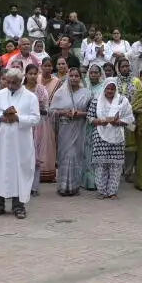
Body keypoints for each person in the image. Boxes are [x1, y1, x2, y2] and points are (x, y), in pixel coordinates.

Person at [0, 69, 39, 218]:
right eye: (7, 82)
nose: (10, 86)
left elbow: (36, 118)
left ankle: (18, 206)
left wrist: (18, 118)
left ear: (21, 81)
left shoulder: (30, 97)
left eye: (13, 83)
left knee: (20, 171)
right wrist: (1, 118)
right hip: (1, 141)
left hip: (20, 142)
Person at [50, 69, 91, 197]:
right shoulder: (60, 93)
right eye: (71, 76)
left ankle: (74, 186)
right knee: (66, 155)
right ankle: (63, 186)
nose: (74, 78)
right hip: (65, 128)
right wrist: (64, 112)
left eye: (76, 76)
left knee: (76, 155)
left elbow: (92, 112)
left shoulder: (87, 93)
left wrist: (80, 114)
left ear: (80, 77)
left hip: (79, 128)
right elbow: (51, 111)